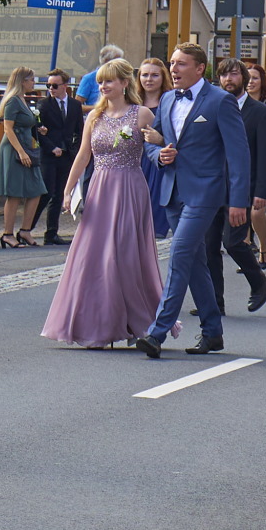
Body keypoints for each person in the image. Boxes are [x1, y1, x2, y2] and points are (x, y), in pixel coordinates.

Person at [136, 43, 252, 360]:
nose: (173, 69)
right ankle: (213, 331)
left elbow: (239, 155)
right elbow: (151, 139)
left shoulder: (220, 101)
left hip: (205, 192)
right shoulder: (168, 99)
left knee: (179, 254)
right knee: (195, 263)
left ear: (200, 68)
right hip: (173, 192)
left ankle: (157, 333)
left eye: (181, 64)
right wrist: (159, 154)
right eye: (172, 63)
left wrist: (238, 200)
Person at [42, 60, 168, 347]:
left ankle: (133, 321)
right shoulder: (94, 117)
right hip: (100, 189)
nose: (102, 86)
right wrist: (69, 189)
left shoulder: (142, 114)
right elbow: (83, 155)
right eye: (100, 81)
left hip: (130, 189)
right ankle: (96, 324)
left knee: (124, 255)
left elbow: (159, 145)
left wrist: (160, 139)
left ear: (124, 83)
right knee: (94, 256)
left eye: (109, 81)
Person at [213, 60, 266, 312]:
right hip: (212, 187)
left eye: (234, 74)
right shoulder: (213, 107)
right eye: (224, 75)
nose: (228, 79)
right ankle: (214, 302)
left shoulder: (260, 112)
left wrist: (261, 192)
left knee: (233, 242)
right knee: (208, 246)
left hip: (242, 189)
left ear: (244, 79)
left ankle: (258, 281)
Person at [0, 67, 46, 245]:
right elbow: (8, 128)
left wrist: (38, 128)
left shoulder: (23, 100)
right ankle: (7, 233)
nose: (33, 83)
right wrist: (21, 152)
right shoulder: (13, 101)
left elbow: (25, 123)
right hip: (14, 149)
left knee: (36, 189)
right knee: (14, 193)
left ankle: (25, 230)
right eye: (31, 79)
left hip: (26, 147)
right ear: (22, 81)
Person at [34, 69, 83, 248]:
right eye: (48, 85)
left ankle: (51, 233)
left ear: (65, 86)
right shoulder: (44, 105)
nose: (51, 89)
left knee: (59, 194)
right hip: (49, 155)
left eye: (54, 85)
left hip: (66, 154)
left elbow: (79, 129)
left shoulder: (75, 105)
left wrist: (74, 149)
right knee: (46, 192)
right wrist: (51, 147)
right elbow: (37, 130)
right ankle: (27, 228)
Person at [135, 57, 174, 231]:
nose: (149, 79)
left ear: (163, 77)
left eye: (154, 75)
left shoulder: (171, 101)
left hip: (159, 163)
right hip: (135, 161)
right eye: (145, 75)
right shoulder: (132, 102)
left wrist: (161, 140)